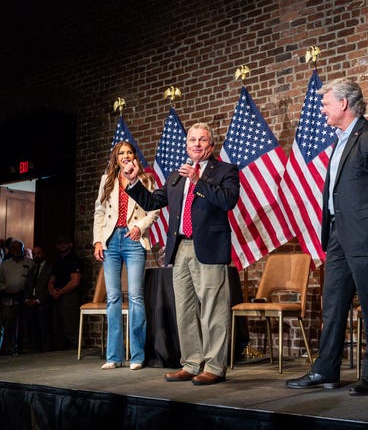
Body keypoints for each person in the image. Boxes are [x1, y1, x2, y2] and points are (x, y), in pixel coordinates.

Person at [286, 78, 368, 396]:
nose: (322, 108)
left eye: (326, 102)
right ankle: (326, 370)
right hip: (338, 234)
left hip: (366, 234)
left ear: (343, 104)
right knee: (334, 305)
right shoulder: (339, 141)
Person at [123, 122, 240, 385]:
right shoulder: (177, 176)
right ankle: (191, 363)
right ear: (186, 145)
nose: (196, 144)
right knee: (185, 310)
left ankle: (214, 366)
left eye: (202, 140)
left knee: (213, 309)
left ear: (210, 145)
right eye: (192, 140)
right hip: (180, 248)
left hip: (209, 248)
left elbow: (228, 201)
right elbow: (154, 201)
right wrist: (133, 181)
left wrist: (199, 181)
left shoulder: (225, 170)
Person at [93, 140, 159, 371]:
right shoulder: (107, 180)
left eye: (129, 153)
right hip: (111, 240)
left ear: (134, 157)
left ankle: (137, 356)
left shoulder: (146, 179)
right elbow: (99, 212)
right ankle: (114, 355)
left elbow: (154, 210)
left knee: (135, 297)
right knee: (112, 298)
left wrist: (140, 226)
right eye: (121, 153)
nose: (126, 156)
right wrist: (98, 240)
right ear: (116, 157)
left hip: (133, 240)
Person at [48, 234, 83, 350]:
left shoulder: (75, 260)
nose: (62, 245)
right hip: (57, 296)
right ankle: (59, 350)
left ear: (70, 244)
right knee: (57, 326)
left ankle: (74, 350)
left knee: (71, 325)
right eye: (59, 243)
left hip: (70, 295)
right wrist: (52, 291)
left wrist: (60, 292)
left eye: (64, 243)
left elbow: (75, 281)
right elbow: (51, 279)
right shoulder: (56, 261)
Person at [0, 239, 34, 354]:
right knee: (9, 326)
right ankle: (8, 349)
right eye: (14, 248)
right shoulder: (5, 264)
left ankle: (24, 349)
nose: (17, 250)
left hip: (25, 299)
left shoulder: (30, 263)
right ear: (10, 250)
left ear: (23, 249)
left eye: (19, 248)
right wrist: (5, 289)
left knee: (25, 326)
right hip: (8, 300)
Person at [22, 246, 54, 352]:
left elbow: (49, 286)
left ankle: (46, 349)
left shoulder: (50, 268)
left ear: (44, 254)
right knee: (33, 327)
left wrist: (39, 300)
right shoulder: (32, 270)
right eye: (34, 254)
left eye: (38, 253)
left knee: (44, 327)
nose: (36, 256)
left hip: (44, 302)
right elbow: (28, 285)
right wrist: (27, 299)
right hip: (31, 302)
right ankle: (35, 348)